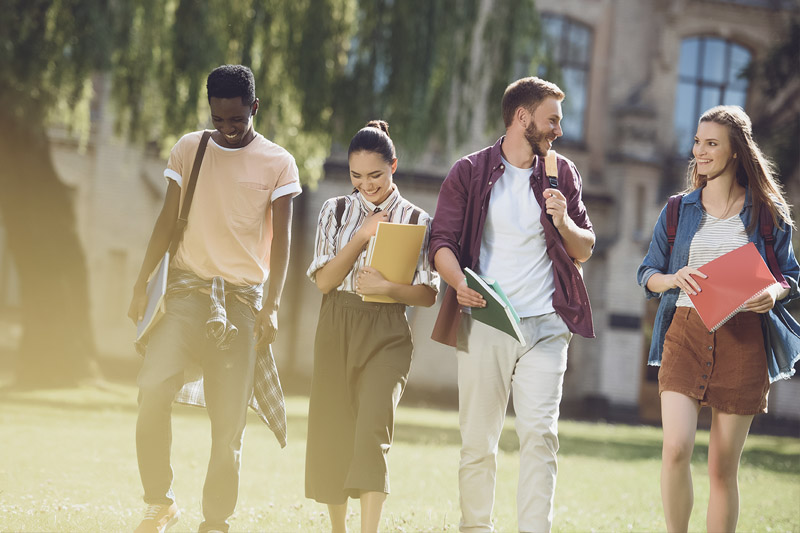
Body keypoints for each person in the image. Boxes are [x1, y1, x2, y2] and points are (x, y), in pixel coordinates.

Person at [127, 64, 301, 533]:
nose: (226, 129)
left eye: (237, 121)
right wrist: (143, 282)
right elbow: (167, 220)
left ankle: (216, 521)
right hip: (184, 295)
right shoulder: (190, 148)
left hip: (242, 306)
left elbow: (283, 244)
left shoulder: (278, 163)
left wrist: (273, 306)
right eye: (219, 119)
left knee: (227, 426)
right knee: (151, 389)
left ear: (254, 108)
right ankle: (159, 501)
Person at [429, 77, 595, 533]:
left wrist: (563, 220)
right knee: (478, 440)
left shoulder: (562, 174)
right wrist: (458, 282)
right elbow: (440, 241)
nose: (559, 129)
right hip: (489, 318)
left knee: (540, 436)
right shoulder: (470, 171)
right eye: (552, 119)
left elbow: (585, 248)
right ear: (523, 117)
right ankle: (476, 527)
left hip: (547, 325)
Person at [637, 105, 799, 533]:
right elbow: (647, 274)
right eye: (697, 142)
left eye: (712, 144)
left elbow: (791, 277)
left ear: (735, 152)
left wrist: (772, 292)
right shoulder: (677, 210)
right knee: (676, 447)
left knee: (722, 469)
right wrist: (673, 277)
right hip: (685, 335)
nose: (701, 151)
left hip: (743, 341)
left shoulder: (767, 212)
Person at [304, 120, 440, 533]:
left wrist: (388, 287)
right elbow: (325, 281)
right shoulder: (335, 210)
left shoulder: (417, 219)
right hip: (337, 322)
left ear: (393, 166)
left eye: (376, 175)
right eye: (357, 176)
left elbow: (428, 293)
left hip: (387, 331)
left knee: (372, 431)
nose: (367, 185)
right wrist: (362, 236)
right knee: (333, 429)